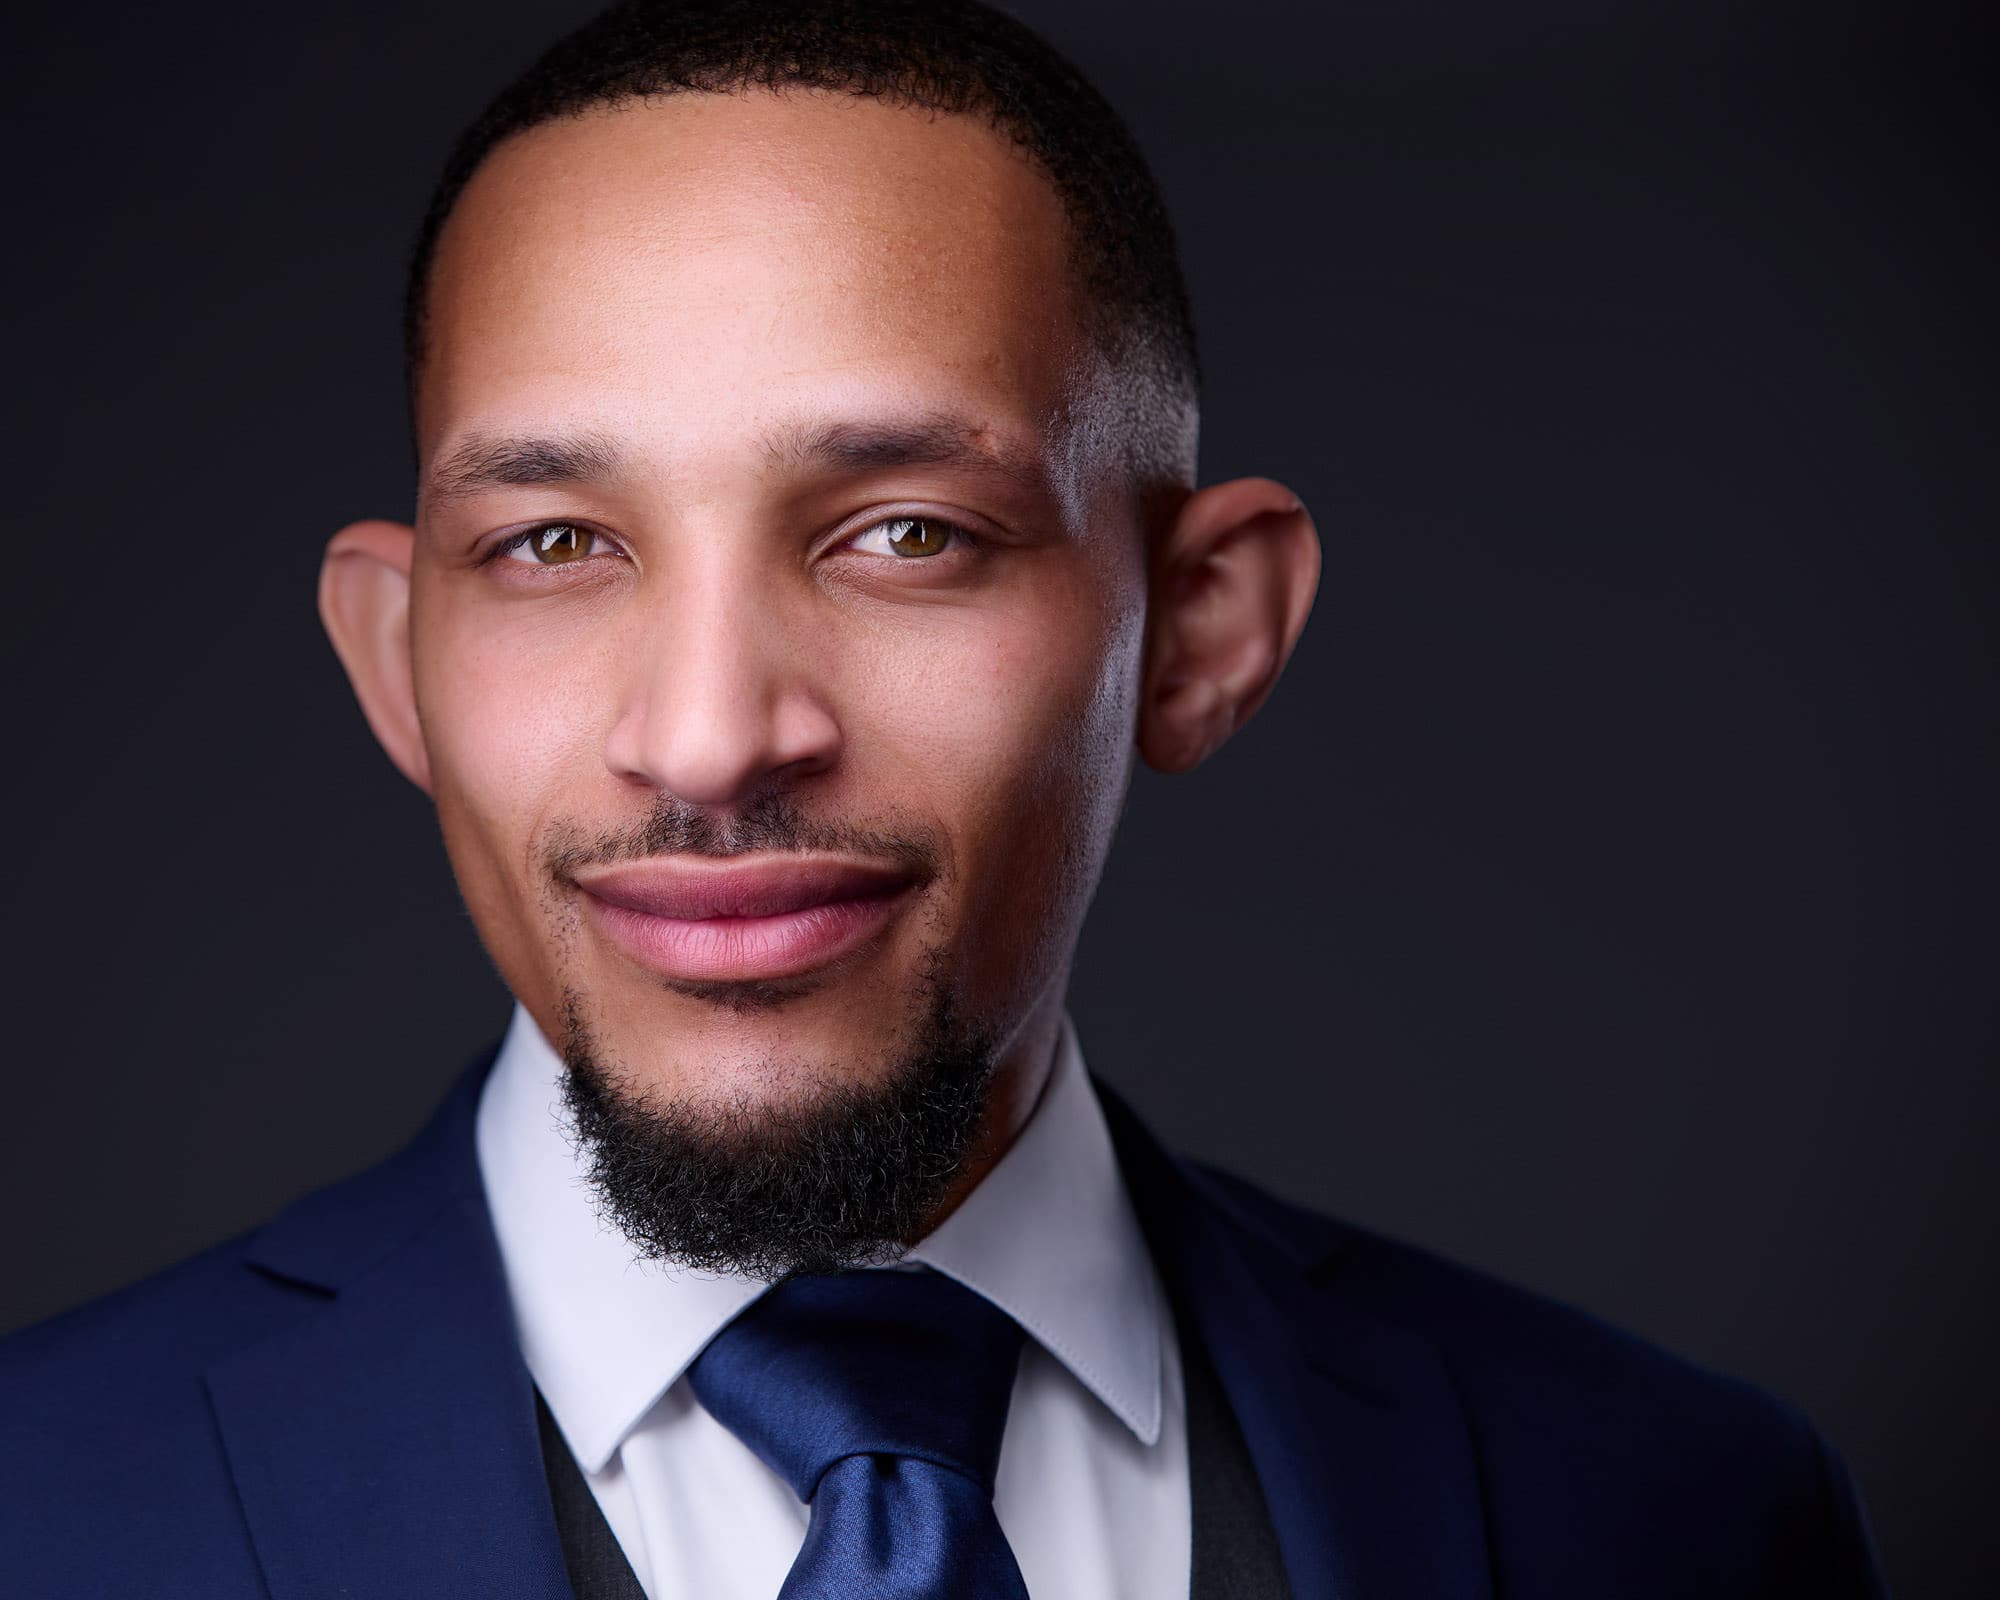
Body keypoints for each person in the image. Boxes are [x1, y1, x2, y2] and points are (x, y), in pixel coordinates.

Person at [1, 2, 1887, 1596]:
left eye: (907, 534)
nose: (714, 734)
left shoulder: (1675, 1513)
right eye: (559, 540)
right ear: (397, 658)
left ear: (1205, 629)